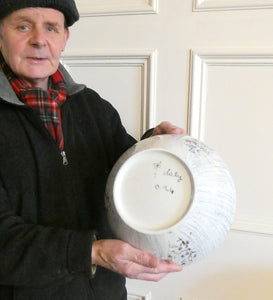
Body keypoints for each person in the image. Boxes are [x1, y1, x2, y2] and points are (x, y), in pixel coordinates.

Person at [0, 1, 186, 299]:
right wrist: (92, 252)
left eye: (51, 27)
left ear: (64, 39)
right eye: (23, 26)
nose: (38, 39)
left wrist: (154, 146)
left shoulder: (93, 107)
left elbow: (126, 178)